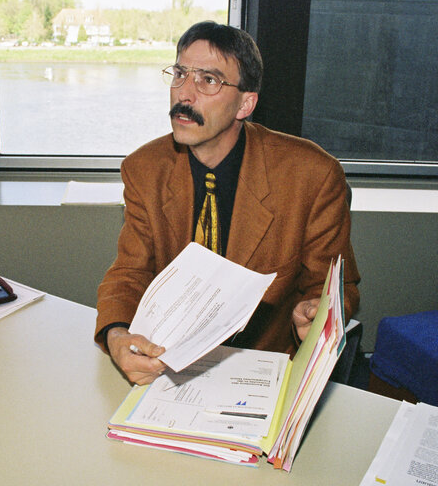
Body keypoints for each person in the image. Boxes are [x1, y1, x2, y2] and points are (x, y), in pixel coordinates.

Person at [94, 21, 360, 385]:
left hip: (261, 369)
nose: (184, 95)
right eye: (180, 74)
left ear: (245, 103)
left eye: (208, 80)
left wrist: (316, 315)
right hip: (166, 366)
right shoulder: (144, 169)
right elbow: (130, 272)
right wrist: (117, 335)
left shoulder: (311, 176)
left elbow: (335, 288)